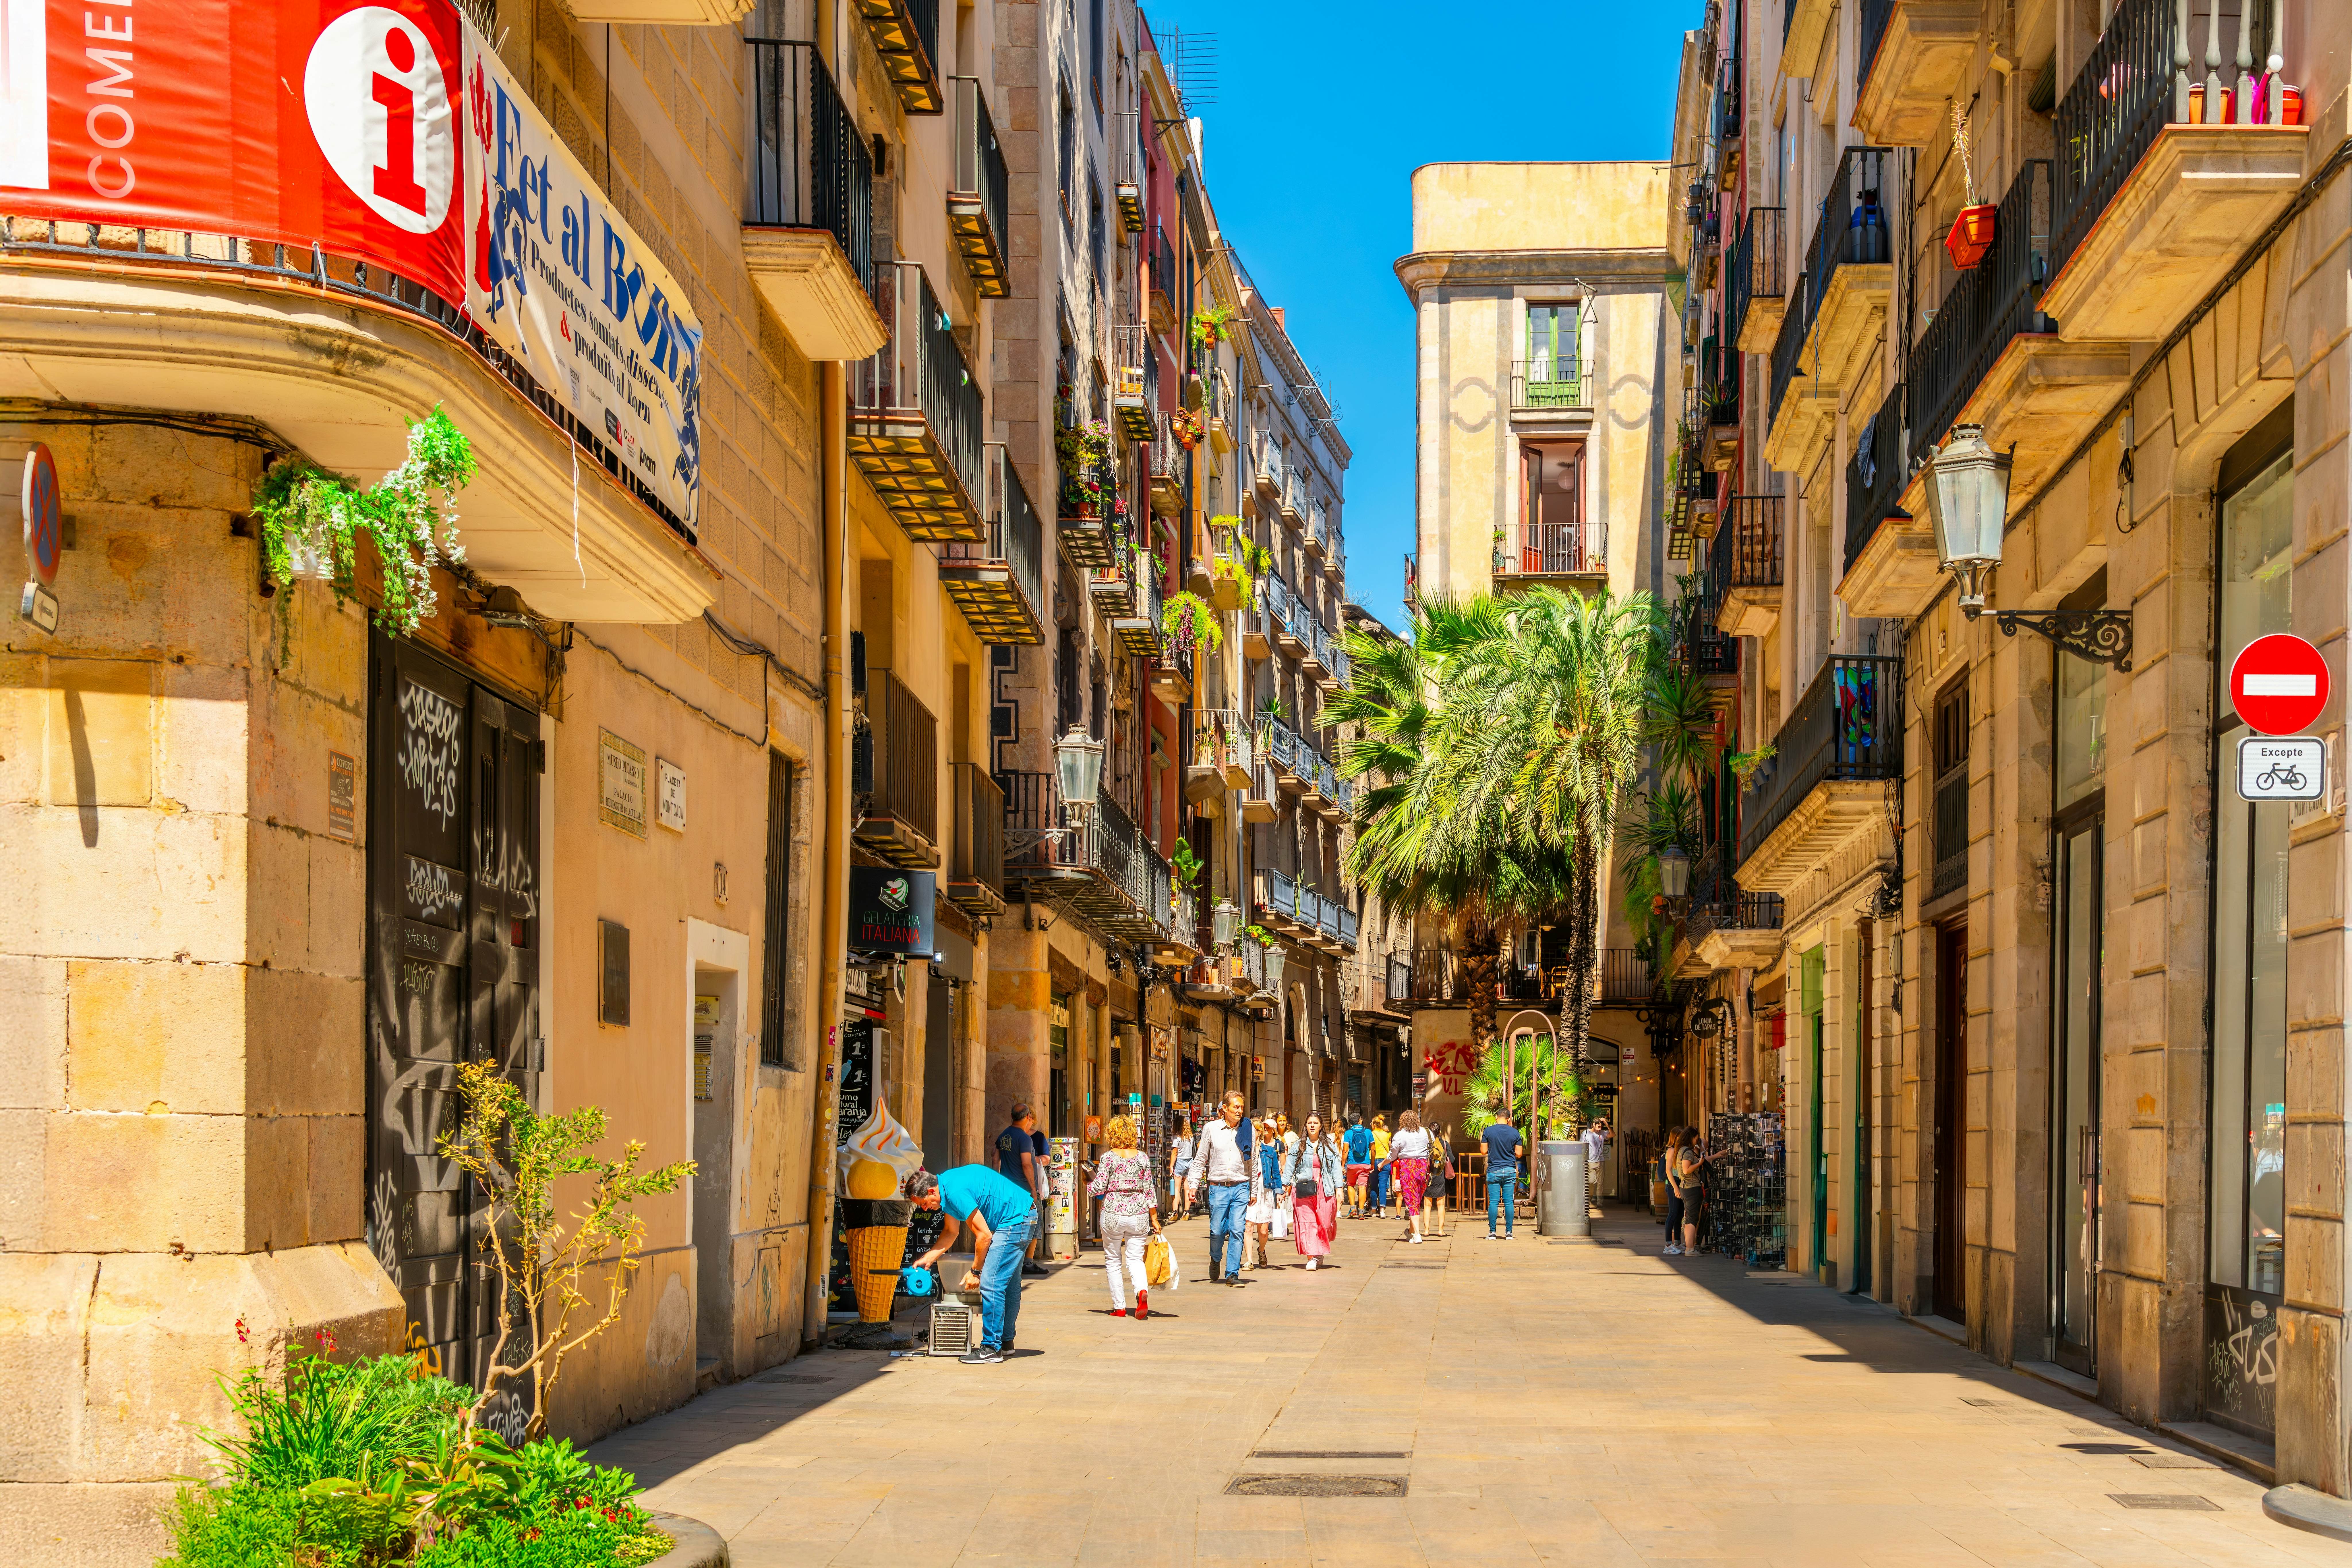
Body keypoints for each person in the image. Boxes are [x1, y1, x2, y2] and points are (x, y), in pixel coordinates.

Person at [908, 1164, 1034, 1364]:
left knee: (991, 1282)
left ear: (932, 1191)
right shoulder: (947, 1188)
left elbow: (984, 1236)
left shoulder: (955, 1191)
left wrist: (975, 1271)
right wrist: (930, 1256)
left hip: (1015, 1220)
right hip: (1023, 1214)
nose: (925, 1209)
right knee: (1008, 1284)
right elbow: (951, 1232)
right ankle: (1005, 1342)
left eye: (923, 1203)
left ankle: (992, 1347)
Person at [1087, 1115, 1162, 1318]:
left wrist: (1087, 1186)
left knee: (1113, 1260)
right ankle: (1141, 1291)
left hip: (1113, 1213)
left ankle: (1119, 1307)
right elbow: (1150, 1190)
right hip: (1138, 1214)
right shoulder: (1143, 1158)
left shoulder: (1108, 1158)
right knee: (1135, 1259)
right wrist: (1154, 1219)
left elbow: (1100, 1186)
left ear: (1112, 1134)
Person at [1191, 1091, 1262, 1284]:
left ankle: (1232, 1273)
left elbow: (1253, 1162)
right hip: (1218, 1187)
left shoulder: (1248, 1129)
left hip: (1241, 1186)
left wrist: (1254, 1190)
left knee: (1238, 1229)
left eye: (1242, 1107)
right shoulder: (1211, 1129)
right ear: (1225, 1108)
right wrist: (1193, 1184)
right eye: (1236, 1107)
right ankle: (1216, 1258)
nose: (1240, 1111)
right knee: (1217, 1231)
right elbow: (1200, 1159)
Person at [1285, 1113, 1346, 1268]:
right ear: (1306, 1126)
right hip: (1304, 1189)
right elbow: (1290, 1168)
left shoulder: (1329, 1146)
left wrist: (1339, 1188)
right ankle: (1311, 1257)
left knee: (1325, 1224)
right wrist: (1283, 1187)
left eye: (1315, 1123)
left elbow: (1336, 1168)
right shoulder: (1298, 1146)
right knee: (1307, 1224)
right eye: (1309, 1123)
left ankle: (1319, 1252)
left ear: (1321, 1126)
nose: (1312, 1125)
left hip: (1325, 1189)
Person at [994, 1105, 1049, 1274]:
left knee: (1011, 1224)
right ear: (1027, 1117)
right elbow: (1027, 1164)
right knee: (1035, 1223)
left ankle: (1013, 1261)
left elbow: (995, 1159)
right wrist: (1034, 1189)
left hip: (1008, 1189)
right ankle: (1026, 1262)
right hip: (1024, 1190)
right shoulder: (1024, 1138)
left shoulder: (1003, 1135)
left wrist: (999, 1183)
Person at [1390, 1110, 1433, 1243]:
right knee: (1417, 1201)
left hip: (1408, 1168)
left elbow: (1393, 1154)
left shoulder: (1400, 1135)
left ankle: (1417, 1236)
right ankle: (1411, 1231)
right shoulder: (1427, 1132)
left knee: (1413, 1202)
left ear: (1403, 1121)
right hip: (1423, 1168)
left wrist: (1383, 1163)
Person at [1481, 1110, 1525, 1239]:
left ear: (1496, 1118)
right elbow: (1519, 1154)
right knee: (1509, 1203)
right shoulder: (1515, 1133)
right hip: (1510, 1171)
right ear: (1509, 1119)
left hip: (1494, 1171)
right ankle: (1509, 1233)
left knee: (1494, 1202)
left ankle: (1493, 1233)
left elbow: (1483, 1151)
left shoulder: (1488, 1131)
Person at [1247, 1116, 1283, 1267]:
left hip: (1265, 1192)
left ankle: (1261, 1250)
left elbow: (1276, 1173)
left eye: (1256, 1130)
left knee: (1263, 1232)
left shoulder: (1270, 1151)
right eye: (1250, 1130)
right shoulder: (1244, 1151)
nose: (1253, 1133)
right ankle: (1249, 1260)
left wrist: (1279, 1191)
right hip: (1248, 1191)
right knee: (1248, 1226)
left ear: (1261, 1132)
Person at [1677, 1129, 1710, 1256]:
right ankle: (1690, 1249)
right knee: (1692, 1219)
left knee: (1690, 1218)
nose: (1698, 1141)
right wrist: (1700, 1164)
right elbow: (1686, 1170)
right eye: (1697, 1138)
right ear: (1692, 1137)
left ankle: (1689, 1247)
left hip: (1686, 1188)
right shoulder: (1687, 1152)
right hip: (1691, 1188)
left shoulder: (1682, 1150)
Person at [1661, 1126, 1688, 1255]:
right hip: (1673, 1185)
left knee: (1679, 1214)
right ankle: (1668, 1245)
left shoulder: (1679, 1150)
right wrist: (1676, 1188)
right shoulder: (1671, 1150)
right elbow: (1668, 1170)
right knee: (1672, 1213)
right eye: (1682, 1136)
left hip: (1679, 1183)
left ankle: (1677, 1242)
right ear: (1676, 1137)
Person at [1342, 1113, 1374, 1219]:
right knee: (1362, 1187)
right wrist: (1372, 1163)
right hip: (1365, 1164)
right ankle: (1361, 1212)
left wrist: (1343, 1165)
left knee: (1351, 1185)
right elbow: (1373, 1150)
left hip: (1352, 1164)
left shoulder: (1348, 1133)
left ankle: (1353, 1209)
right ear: (1360, 1121)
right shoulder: (1368, 1132)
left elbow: (1346, 1150)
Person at [1582, 1117, 1610, 1204]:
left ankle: (1600, 1203)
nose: (1600, 1129)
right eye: (1599, 1127)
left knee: (1600, 1183)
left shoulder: (1602, 1133)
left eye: (1601, 1127)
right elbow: (1582, 1147)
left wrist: (1606, 1123)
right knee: (1591, 1181)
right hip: (1590, 1162)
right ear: (1594, 1125)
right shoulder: (1586, 1133)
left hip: (1601, 1162)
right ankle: (1590, 1198)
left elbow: (1613, 1135)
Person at [1169, 1122, 1195, 1216]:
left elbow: (1175, 1153)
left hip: (1180, 1162)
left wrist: (1171, 1166)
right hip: (1190, 1162)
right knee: (1187, 1189)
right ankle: (1186, 1212)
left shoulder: (1177, 1137)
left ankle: (1175, 1212)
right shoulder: (1190, 1137)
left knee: (1177, 1189)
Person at [1369, 1115, 1392, 1217]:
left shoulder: (1371, 1134)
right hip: (1385, 1161)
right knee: (1383, 1187)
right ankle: (1382, 1210)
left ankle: (1374, 1210)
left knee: (1374, 1187)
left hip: (1373, 1161)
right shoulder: (1387, 1135)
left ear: (1374, 1125)